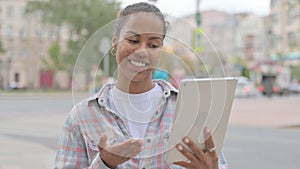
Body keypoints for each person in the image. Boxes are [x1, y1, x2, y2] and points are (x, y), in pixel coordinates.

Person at [55, 2, 228, 169]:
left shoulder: (191, 109)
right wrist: (104, 164)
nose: (142, 51)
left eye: (153, 45)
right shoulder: (81, 117)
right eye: (133, 40)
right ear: (115, 41)